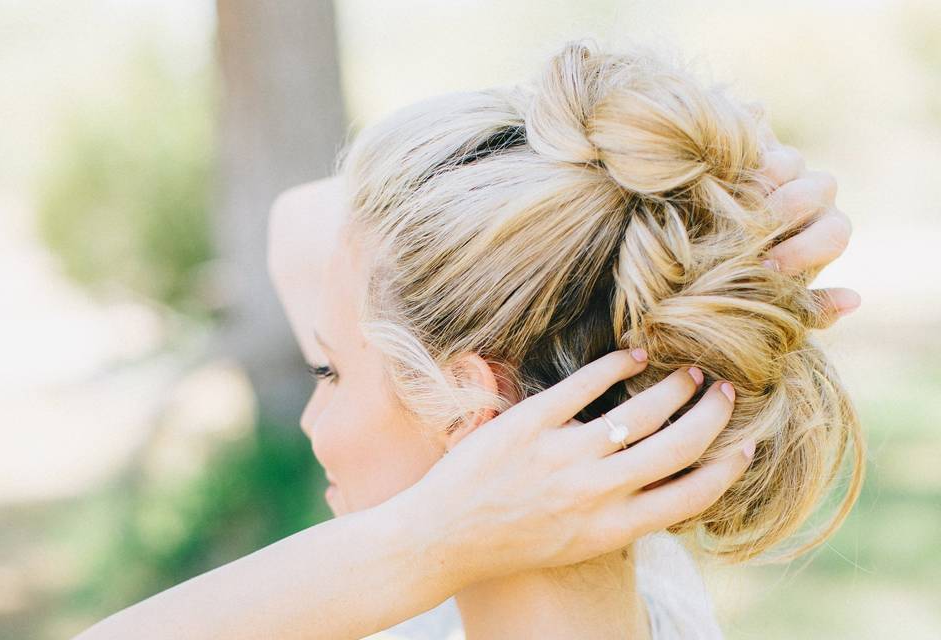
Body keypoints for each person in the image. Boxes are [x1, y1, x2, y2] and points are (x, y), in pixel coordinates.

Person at [75, 39, 860, 640]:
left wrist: (423, 543)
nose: (312, 420)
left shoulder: (419, 580)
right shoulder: (649, 579)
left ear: (474, 413)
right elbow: (303, 227)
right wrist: (697, 198)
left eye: (331, 371)